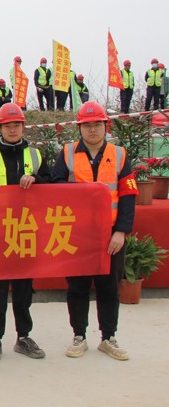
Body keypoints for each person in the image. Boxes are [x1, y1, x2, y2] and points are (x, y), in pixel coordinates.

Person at [51, 101, 137, 361]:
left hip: (110, 235)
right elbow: (54, 187)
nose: (92, 130)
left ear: (105, 126)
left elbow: (128, 195)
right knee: (77, 287)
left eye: (97, 124)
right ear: (79, 128)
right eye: (86, 125)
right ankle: (79, 336)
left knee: (109, 287)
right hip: (77, 234)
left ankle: (108, 337)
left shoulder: (119, 155)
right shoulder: (67, 154)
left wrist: (121, 232)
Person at [0, 104, 50, 361]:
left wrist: (37, 180)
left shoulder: (35, 156)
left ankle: (23, 337)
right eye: (8, 126)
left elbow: (53, 185)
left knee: (23, 289)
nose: (13, 130)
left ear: (23, 127)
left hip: (26, 232)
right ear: (0, 128)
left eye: (17, 125)